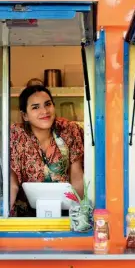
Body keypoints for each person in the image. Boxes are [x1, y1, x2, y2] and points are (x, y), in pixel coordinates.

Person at [10, 85, 85, 217]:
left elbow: (77, 177)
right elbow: (12, 184)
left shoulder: (69, 130)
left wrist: (80, 215)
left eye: (48, 104)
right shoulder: (16, 135)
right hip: (25, 218)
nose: (44, 111)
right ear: (25, 115)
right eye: (35, 107)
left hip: (66, 214)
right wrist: (1, 220)